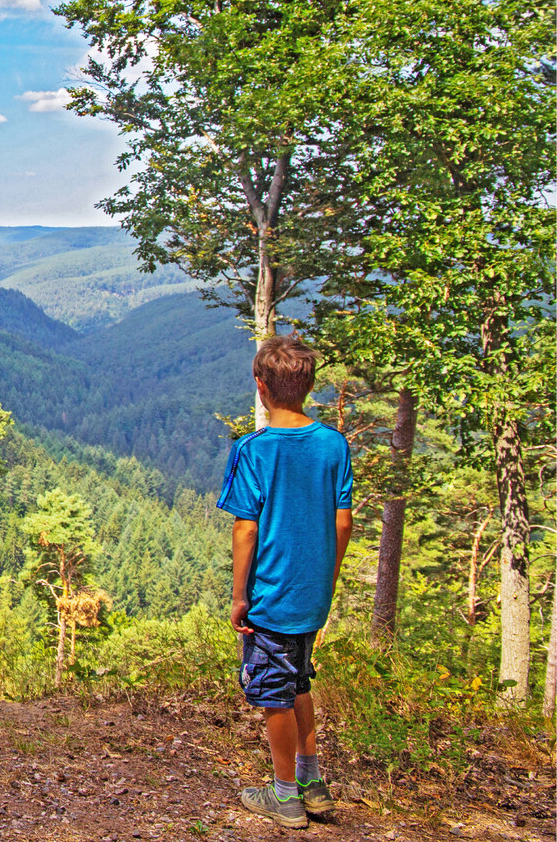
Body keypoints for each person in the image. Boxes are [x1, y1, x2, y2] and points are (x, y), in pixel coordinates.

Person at [217, 334, 354, 829]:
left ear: (260, 386)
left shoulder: (252, 450)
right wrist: (327, 576)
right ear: (309, 386)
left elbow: (246, 527)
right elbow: (342, 522)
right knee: (298, 680)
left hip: (270, 593)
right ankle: (312, 781)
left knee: (274, 690)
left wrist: (238, 596)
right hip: (312, 589)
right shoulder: (333, 444)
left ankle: (285, 796)